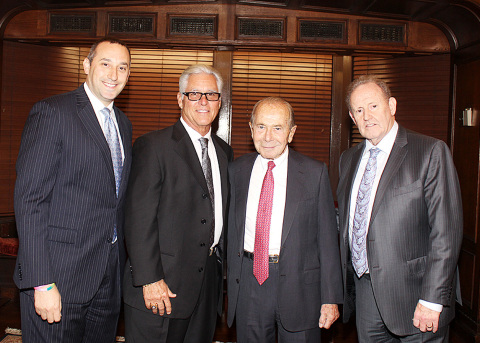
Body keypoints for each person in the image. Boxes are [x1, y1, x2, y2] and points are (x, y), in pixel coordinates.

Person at [13, 37, 132, 342]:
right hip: (59, 276)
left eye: (123, 67)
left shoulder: (123, 123)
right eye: (105, 64)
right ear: (87, 65)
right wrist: (42, 282)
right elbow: (30, 201)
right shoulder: (53, 112)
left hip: (107, 277)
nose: (113, 74)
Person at [337, 74, 463, 342]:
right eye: (359, 110)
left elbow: (446, 233)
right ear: (351, 117)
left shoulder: (429, 152)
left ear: (392, 106)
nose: (367, 115)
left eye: (373, 105)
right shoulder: (348, 159)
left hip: (417, 296)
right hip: (366, 294)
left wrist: (432, 299)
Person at [122, 64, 233, 343]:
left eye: (211, 94)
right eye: (194, 94)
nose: (204, 101)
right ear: (180, 98)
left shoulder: (224, 152)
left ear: (220, 101)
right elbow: (138, 219)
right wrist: (149, 279)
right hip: (162, 285)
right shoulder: (154, 146)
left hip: (207, 286)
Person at [227, 96, 343, 343]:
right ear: (251, 129)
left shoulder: (315, 173)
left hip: (300, 287)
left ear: (291, 133)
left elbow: (328, 241)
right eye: (261, 127)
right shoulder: (236, 171)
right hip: (249, 283)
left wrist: (331, 298)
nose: (268, 136)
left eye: (277, 128)